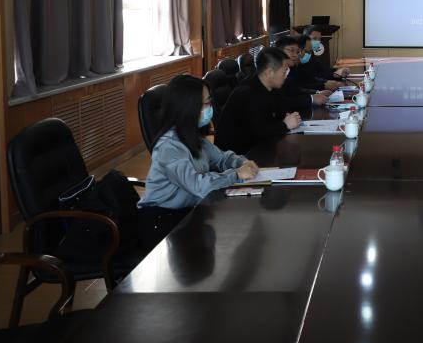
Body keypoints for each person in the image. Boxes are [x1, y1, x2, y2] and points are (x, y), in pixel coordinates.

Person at [137, 75, 259, 249]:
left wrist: (241, 162)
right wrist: (236, 174)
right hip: (162, 222)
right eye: (206, 103)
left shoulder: (192, 136)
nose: (210, 108)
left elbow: (222, 158)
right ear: (189, 107)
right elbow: (198, 186)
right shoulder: (169, 147)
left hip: (188, 211)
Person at [215, 47, 302, 154]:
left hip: (259, 147)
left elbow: (280, 111)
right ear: (269, 72)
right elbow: (259, 132)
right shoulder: (247, 93)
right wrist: (285, 125)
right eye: (284, 72)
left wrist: (287, 117)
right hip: (237, 155)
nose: (286, 76)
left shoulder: (271, 86)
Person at [274, 36, 331, 111]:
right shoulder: (275, 73)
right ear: (278, 51)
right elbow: (281, 102)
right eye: (291, 51)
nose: (295, 55)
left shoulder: (291, 68)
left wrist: (317, 93)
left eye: (297, 52)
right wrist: (311, 99)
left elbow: (297, 90)